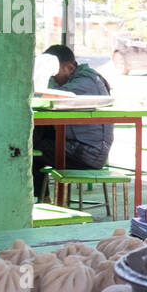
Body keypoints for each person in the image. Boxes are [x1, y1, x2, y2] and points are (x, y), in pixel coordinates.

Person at [32, 44, 114, 199]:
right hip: (80, 146)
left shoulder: (86, 81)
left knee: (29, 153)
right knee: (35, 139)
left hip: (88, 153)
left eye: (54, 72)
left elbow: (50, 95)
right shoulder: (81, 78)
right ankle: (43, 199)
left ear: (69, 67)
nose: (53, 77)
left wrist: (42, 78)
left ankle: (42, 201)